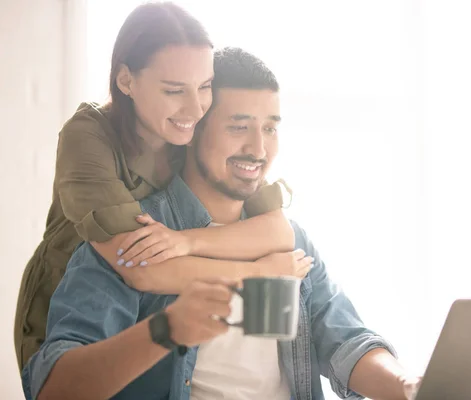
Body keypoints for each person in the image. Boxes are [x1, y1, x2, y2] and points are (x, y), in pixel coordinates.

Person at [22, 47, 419, 400]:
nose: (258, 149)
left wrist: (407, 387)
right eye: (238, 127)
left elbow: (348, 342)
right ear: (191, 131)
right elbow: (54, 388)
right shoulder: (137, 234)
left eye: (270, 128)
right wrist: (165, 330)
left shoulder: (289, 238)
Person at [14, 2, 307, 371]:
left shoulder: (187, 130)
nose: (196, 108)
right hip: (72, 305)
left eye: (204, 87)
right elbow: (140, 269)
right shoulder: (87, 136)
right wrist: (261, 272)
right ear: (126, 81)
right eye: (174, 90)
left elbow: (276, 229)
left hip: (150, 309)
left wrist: (188, 241)